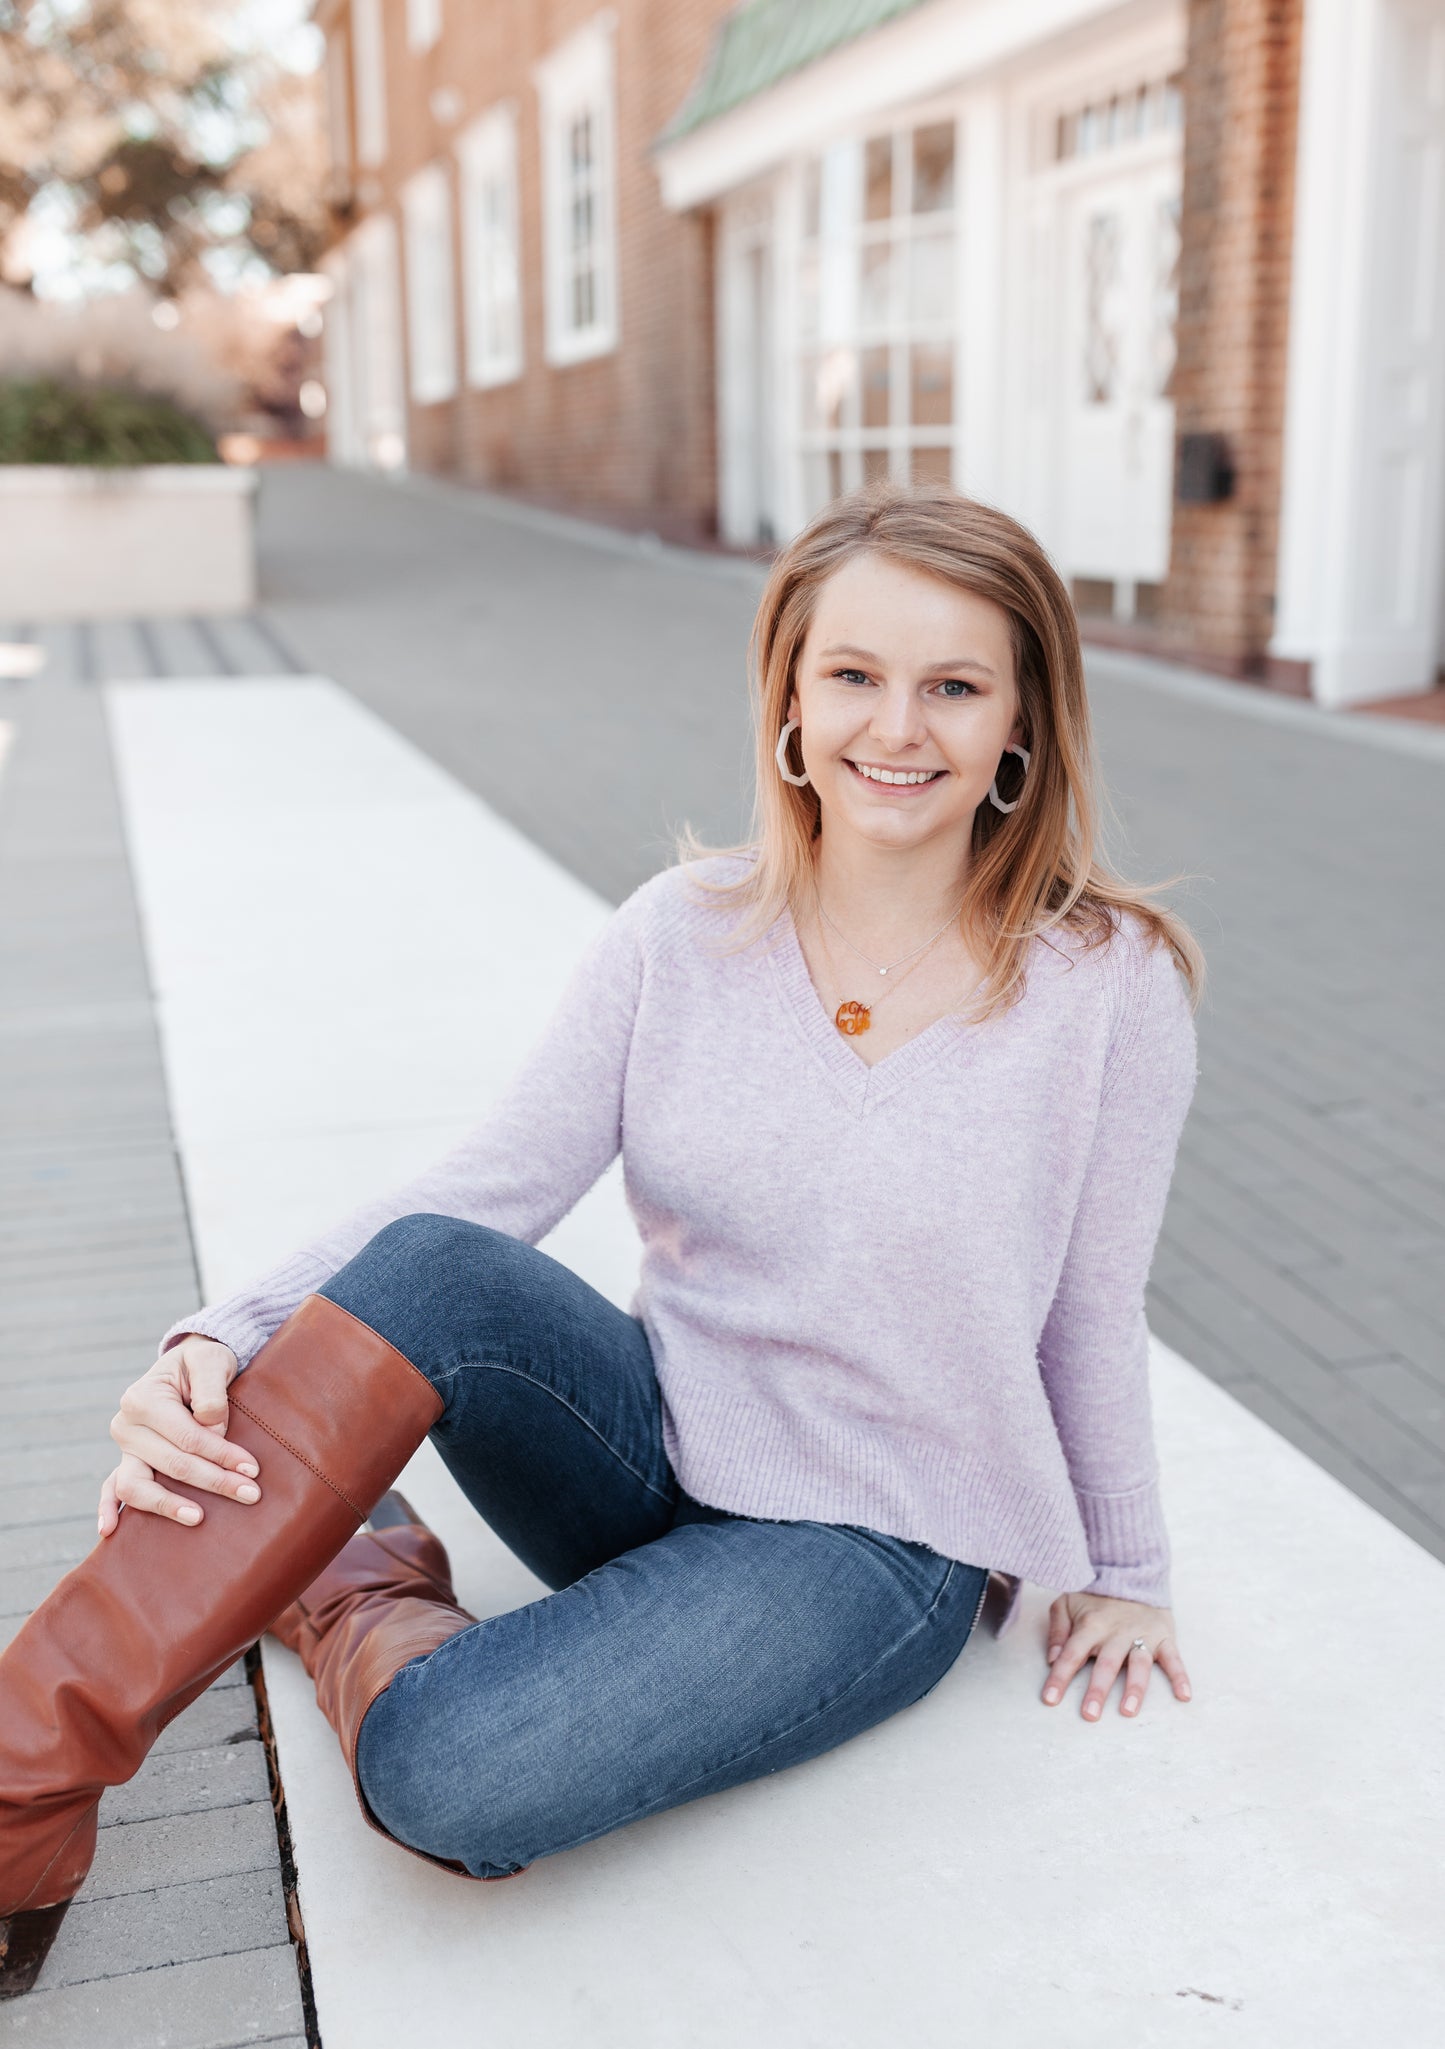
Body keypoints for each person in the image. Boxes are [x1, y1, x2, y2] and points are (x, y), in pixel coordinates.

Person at [0, 482, 1201, 1989]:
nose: (897, 727)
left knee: (446, 1773)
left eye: (953, 685)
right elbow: (490, 1181)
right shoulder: (681, 931)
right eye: (854, 675)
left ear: (1020, 721)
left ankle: (354, 1581)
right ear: (788, 694)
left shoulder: (1108, 986)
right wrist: (216, 1332)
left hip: (877, 1540)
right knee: (440, 1266)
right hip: (655, 1443)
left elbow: (1093, 1310)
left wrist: (1125, 1564)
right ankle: (18, 1782)